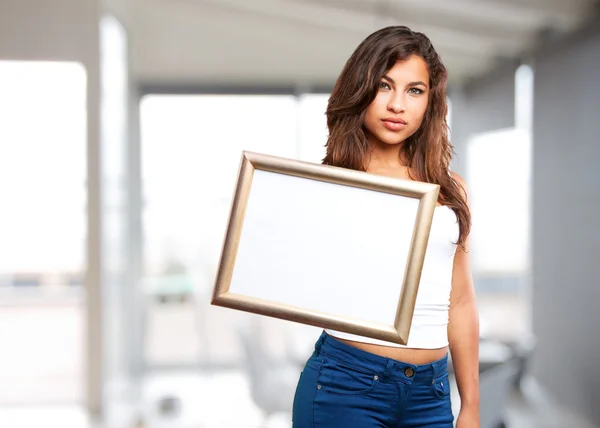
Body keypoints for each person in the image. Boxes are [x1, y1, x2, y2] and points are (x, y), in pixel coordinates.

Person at [291, 26, 480, 428]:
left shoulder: (451, 189)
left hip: (431, 394)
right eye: (384, 85)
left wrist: (471, 406)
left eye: (415, 91)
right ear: (361, 89)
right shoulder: (331, 186)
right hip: (345, 385)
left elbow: (460, 302)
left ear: (430, 102)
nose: (398, 104)